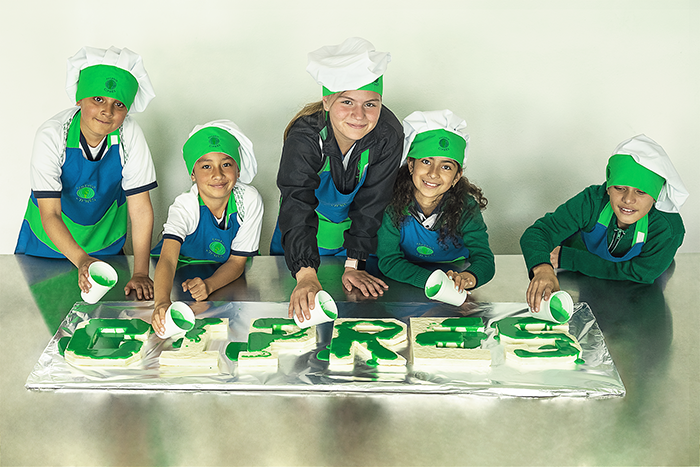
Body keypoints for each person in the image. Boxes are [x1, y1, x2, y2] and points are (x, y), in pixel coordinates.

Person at [271, 37, 403, 323]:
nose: (359, 115)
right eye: (347, 101)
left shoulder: (388, 134)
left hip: (354, 238)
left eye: (370, 104)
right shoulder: (306, 136)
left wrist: (354, 264)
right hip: (300, 237)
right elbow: (297, 202)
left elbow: (373, 201)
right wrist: (306, 274)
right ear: (327, 101)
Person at [15, 46, 157, 300]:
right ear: (79, 98)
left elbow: (141, 210)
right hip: (46, 248)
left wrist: (140, 272)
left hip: (106, 248)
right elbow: (50, 213)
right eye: (98, 99)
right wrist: (82, 260)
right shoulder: (52, 135)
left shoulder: (130, 135)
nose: (107, 111)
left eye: (118, 104)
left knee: (106, 318)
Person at [520, 134, 688, 311]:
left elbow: (641, 273)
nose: (628, 199)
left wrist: (570, 258)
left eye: (641, 192)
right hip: (580, 285)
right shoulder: (592, 202)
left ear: (656, 196)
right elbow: (538, 233)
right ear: (608, 187)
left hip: (639, 296)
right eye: (619, 188)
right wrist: (543, 269)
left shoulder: (668, 229)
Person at [150, 120, 263, 337]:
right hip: (178, 274)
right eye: (206, 166)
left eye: (226, 164)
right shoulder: (185, 206)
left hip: (226, 276)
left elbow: (237, 262)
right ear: (192, 174)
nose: (218, 175)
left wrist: (209, 286)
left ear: (238, 170)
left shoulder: (249, 201)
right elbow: (168, 260)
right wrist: (162, 302)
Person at [376, 110, 495, 293]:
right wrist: (436, 282)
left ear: (456, 177)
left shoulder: (466, 207)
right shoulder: (391, 204)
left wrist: (466, 279)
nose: (433, 173)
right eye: (426, 161)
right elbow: (389, 261)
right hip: (406, 280)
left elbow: (484, 259)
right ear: (411, 165)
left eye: (446, 166)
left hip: (456, 279)